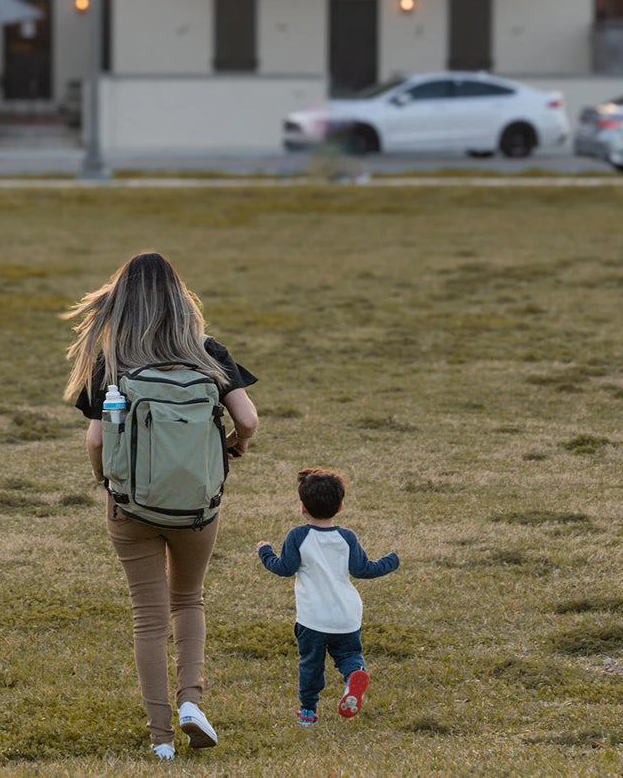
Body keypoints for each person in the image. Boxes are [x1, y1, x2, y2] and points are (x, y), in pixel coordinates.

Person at [64, 252, 258, 761]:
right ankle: (192, 702)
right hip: (197, 506)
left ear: (122, 301)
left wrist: (105, 486)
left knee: (147, 618)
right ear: (180, 296)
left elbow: (94, 443)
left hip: (130, 506)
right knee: (188, 600)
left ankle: (161, 739)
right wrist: (236, 443)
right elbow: (250, 419)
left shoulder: (115, 360)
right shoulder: (208, 352)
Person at [257, 468, 399, 726]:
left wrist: (265, 551)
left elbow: (283, 568)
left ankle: (308, 711)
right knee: (348, 655)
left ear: (302, 507)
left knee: (311, 664)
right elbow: (363, 570)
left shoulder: (298, 536)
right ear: (341, 506)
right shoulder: (346, 537)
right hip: (347, 615)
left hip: (313, 619)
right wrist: (391, 561)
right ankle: (354, 674)